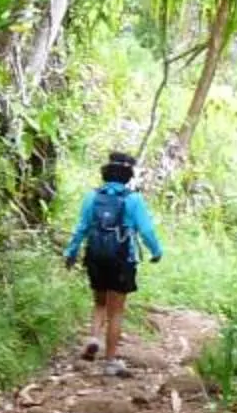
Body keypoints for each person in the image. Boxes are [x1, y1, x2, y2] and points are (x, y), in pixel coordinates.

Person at [64, 152, 163, 375]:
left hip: (95, 257)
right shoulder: (133, 199)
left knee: (99, 302)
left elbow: (81, 228)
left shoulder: (92, 197)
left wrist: (70, 253)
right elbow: (146, 230)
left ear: (105, 174)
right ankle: (109, 361)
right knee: (116, 311)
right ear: (128, 176)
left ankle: (94, 338)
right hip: (121, 259)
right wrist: (156, 252)